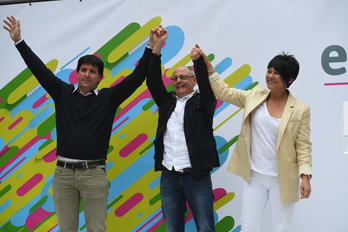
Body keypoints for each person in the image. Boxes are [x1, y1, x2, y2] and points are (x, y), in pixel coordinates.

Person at [3, 16, 160, 232]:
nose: (87, 74)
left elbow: (138, 76)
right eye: (84, 70)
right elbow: (39, 70)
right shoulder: (62, 92)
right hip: (63, 174)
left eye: (93, 71)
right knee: (67, 229)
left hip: (93, 174)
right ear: (77, 73)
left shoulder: (109, 97)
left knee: (97, 229)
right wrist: (19, 41)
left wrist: (151, 45)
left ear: (100, 78)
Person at [195, 45, 312, 232]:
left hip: (282, 178)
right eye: (269, 71)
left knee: (281, 227)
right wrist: (209, 68)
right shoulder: (256, 95)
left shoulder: (300, 109)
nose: (270, 76)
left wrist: (305, 176)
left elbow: (303, 145)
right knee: (249, 226)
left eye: (276, 73)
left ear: (289, 79)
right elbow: (225, 92)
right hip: (254, 176)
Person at [146, 29, 220, 232]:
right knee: (172, 229)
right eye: (175, 78)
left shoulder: (204, 103)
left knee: (205, 228)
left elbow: (207, 86)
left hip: (197, 177)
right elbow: (152, 80)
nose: (178, 81)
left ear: (193, 81)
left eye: (184, 77)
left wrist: (198, 62)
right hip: (169, 177)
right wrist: (157, 46)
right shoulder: (166, 101)